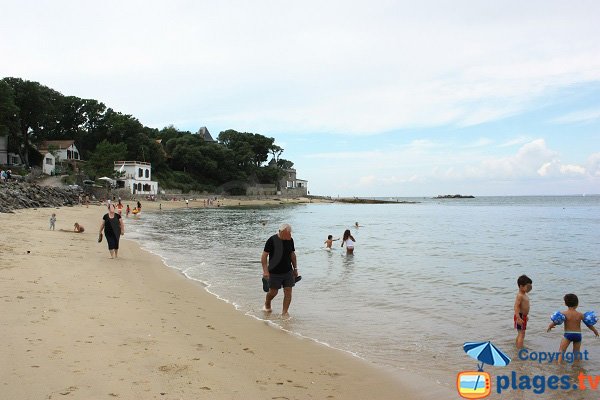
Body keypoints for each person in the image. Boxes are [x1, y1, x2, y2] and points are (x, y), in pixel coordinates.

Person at [547, 294, 599, 362]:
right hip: (578, 335)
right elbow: (588, 324)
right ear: (577, 304)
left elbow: (556, 321)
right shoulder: (580, 315)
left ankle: (559, 364)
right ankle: (577, 365)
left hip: (568, 334)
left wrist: (550, 326)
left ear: (565, 303)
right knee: (576, 352)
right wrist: (595, 331)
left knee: (562, 350)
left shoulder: (564, 313)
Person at [261, 223, 299, 316]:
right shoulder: (272, 240)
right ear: (281, 232)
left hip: (288, 271)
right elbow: (264, 256)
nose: (289, 235)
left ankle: (284, 312)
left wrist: (295, 268)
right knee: (273, 292)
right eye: (287, 233)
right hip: (274, 272)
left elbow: (292, 255)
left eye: (290, 233)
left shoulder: (290, 240)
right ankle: (267, 302)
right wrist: (265, 271)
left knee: (288, 291)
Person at [514, 274, 533, 348]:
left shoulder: (524, 294)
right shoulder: (520, 295)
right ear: (521, 286)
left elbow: (523, 307)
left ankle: (517, 346)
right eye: (527, 287)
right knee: (521, 334)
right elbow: (516, 306)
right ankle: (519, 350)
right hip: (520, 316)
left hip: (523, 316)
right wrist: (518, 317)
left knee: (521, 333)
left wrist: (526, 315)